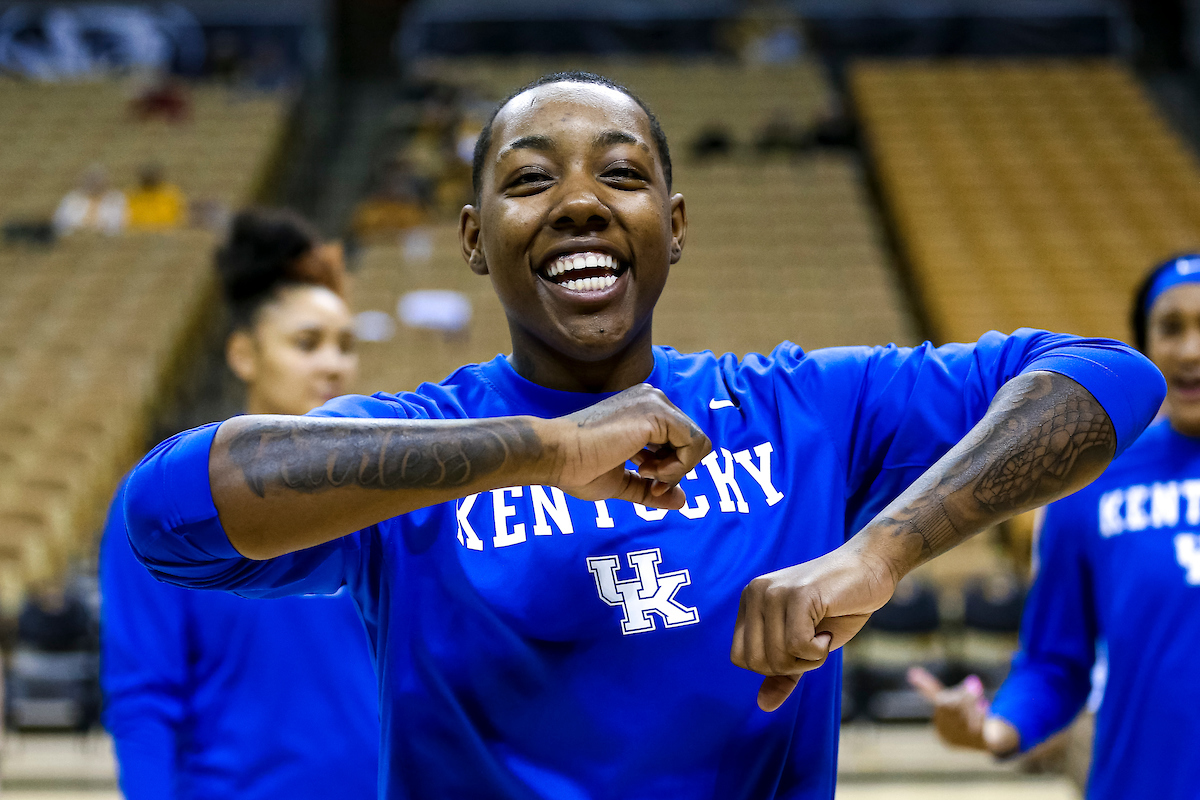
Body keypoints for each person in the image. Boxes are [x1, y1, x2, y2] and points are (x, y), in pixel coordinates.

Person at [120, 72, 1165, 799]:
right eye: (531, 180)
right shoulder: (421, 443)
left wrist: (877, 551)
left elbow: (1108, 377)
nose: (578, 202)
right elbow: (165, 515)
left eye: (620, 175)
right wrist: (539, 448)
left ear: (673, 224)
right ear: (476, 239)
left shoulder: (804, 408)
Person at [101, 209, 377, 800]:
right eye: (308, 343)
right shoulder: (169, 511)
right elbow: (144, 695)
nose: (334, 363)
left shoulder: (386, 497)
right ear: (245, 355)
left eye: (346, 345)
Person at [909, 253, 1200, 800]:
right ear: (1146, 343)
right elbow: (1056, 660)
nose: (1191, 351)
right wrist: (991, 730)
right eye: (1171, 328)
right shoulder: (1095, 474)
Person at [53, 165, 126, 236]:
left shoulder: (116, 198)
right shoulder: (71, 198)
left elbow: (120, 224)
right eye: (91, 180)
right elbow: (59, 223)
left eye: (98, 181)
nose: (94, 184)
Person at [125, 163, 185, 231]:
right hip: (139, 233)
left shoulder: (171, 195)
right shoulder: (132, 196)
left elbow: (179, 220)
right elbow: (127, 221)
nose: (151, 179)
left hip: (165, 233)